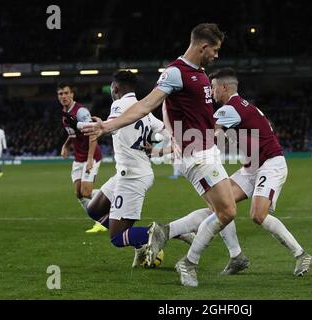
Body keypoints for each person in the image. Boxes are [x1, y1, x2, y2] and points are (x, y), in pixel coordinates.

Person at [82, 23, 237, 287]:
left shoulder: (199, 73)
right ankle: (185, 259)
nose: (217, 55)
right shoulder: (176, 73)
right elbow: (146, 105)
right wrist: (107, 126)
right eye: (216, 49)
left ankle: (173, 236)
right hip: (198, 155)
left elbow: (178, 115)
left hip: (205, 150)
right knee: (227, 212)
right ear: (203, 46)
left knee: (218, 210)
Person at [156, 68, 312, 276]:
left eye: (212, 88)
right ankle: (235, 256)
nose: (210, 92)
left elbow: (206, 136)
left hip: (270, 164)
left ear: (224, 87)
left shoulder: (229, 108)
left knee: (258, 215)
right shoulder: (243, 106)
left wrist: (166, 148)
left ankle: (301, 254)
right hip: (252, 167)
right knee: (220, 205)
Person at [78, 70, 193, 266]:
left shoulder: (119, 105)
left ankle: (166, 232)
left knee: (117, 238)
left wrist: (85, 125)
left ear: (115, 89)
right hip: (131, 172)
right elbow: (171, 136)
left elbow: (111, 125)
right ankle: (147, 242)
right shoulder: (143, 110)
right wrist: (158, 150)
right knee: (94, 210)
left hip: (132, 177)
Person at [57, 83, 106, 233]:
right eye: (60, 94)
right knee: (79, 194)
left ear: (72, 94)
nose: (63, 96)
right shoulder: (64, 114)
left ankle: (107, 205)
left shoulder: (81, 111)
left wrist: (90, 159)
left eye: (66, 93)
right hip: (78, 157)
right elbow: (73, 134)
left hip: (91, 156)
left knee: (86, 192)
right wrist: (65, 146)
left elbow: (92, 134)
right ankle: (100, 219)